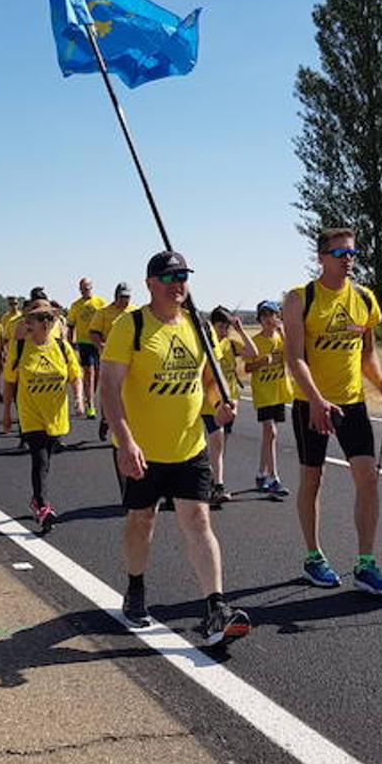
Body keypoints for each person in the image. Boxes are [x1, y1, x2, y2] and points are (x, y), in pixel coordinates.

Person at [101, 251, 251, 647]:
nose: (178, 283)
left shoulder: (197, 328)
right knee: (141, 521)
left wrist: (219, 406)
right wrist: (125, 440)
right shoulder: (129, 326)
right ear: (150, 283)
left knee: (199, 522)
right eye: (169, 277)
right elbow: (109, 389)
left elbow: (207, 381)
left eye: (183, 275)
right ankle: (135, 589)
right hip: (142, 451)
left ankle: (216, 608)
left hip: (189, 446)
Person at [283, 226, 382, 595]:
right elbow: (294, 357)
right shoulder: (300, 298)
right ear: (321, 257)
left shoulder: (364, 298)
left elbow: (367, 354)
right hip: (311, 403)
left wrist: (381, 381)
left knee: (367, 478)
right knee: (313, 479)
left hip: (352, 403)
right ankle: (313, 557)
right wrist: (317, 400)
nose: (347, 259)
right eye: (339, 253)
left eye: (351, 253)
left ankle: (366, 564)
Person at [1, 299, 83, 533]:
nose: (46, 322)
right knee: (40, 460)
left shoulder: (61, 347)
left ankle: (37, 500)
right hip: (31, 414)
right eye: (40, 318)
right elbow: (9, 382)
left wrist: (78, 398)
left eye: (50, 318)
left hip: (55, 415)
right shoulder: (20, 348)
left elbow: (75, 375)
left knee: (47, 459)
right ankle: (42, 506)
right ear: (29, 323)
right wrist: (6, 413)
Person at [203, 306, 258, 507]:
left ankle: (211, 479)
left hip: (230, 402)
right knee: (216, 441)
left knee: (220, 445)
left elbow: (253, 352)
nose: (224, 331)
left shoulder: (230, 345)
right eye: (220, 326)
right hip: (210, 403)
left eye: (227, 327)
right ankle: (218, 486)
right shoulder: (206, 345)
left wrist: (241, 331)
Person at [244, 300, 293, 496]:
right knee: (270, 432)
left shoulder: (282, 339)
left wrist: (283, 334)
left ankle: (261, 474)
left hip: (279, 391)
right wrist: (261, 362)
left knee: (270, 435)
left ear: (277, 317)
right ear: (259, 319)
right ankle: (274, 478)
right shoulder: (255, 341)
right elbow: (247, 367)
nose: (267, 319)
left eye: (271, 315)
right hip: (264, 393)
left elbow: (293, 358)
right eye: (263, 316)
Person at [86, 282, 134, 442]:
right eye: (122, 297)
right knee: (110, 390)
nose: (125, 301)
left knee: (127, 393)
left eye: (127, 297)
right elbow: (93, 332)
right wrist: (100, 345)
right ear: (116, 297)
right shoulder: (104, 313)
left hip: (130, 360)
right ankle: (106, 420)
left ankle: (124, 427)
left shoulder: (134, 312)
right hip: (110, 359)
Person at [68, 278, 108, 421]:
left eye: (87, 288)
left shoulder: (100, 303)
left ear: (92, 287)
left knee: (97, 374)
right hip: (84, 342)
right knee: (89, 373)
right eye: (82, 288)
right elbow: (71, 325)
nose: (85, 291)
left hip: (98, 342)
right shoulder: (76, 305)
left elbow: (107, 321)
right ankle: (90, 405)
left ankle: (89, 395)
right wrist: (70, 343)